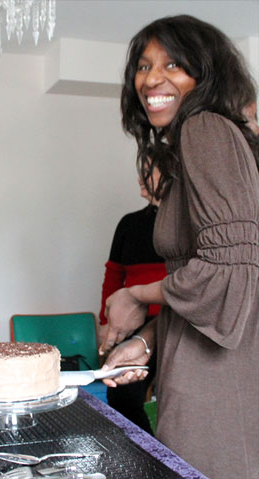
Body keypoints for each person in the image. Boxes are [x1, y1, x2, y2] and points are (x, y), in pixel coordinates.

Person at [98, 15, 259, 479]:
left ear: (206, 74)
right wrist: (145, 343)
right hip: (199, 362)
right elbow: (212, 283)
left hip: (219, 379)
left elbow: (226, 272)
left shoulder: (205, 128)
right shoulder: (210, 141)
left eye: (173, 64)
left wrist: (134, 295)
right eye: (143, 66)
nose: (151, 79)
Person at [97, 167, 166, 433]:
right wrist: (106, 323)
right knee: (121, 393)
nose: (140, 178)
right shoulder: (129, 224)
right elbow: (113, 278)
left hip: (176, 323)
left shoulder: (185, 225)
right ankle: (147, 448)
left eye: (149, 171)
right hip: (134, 325)